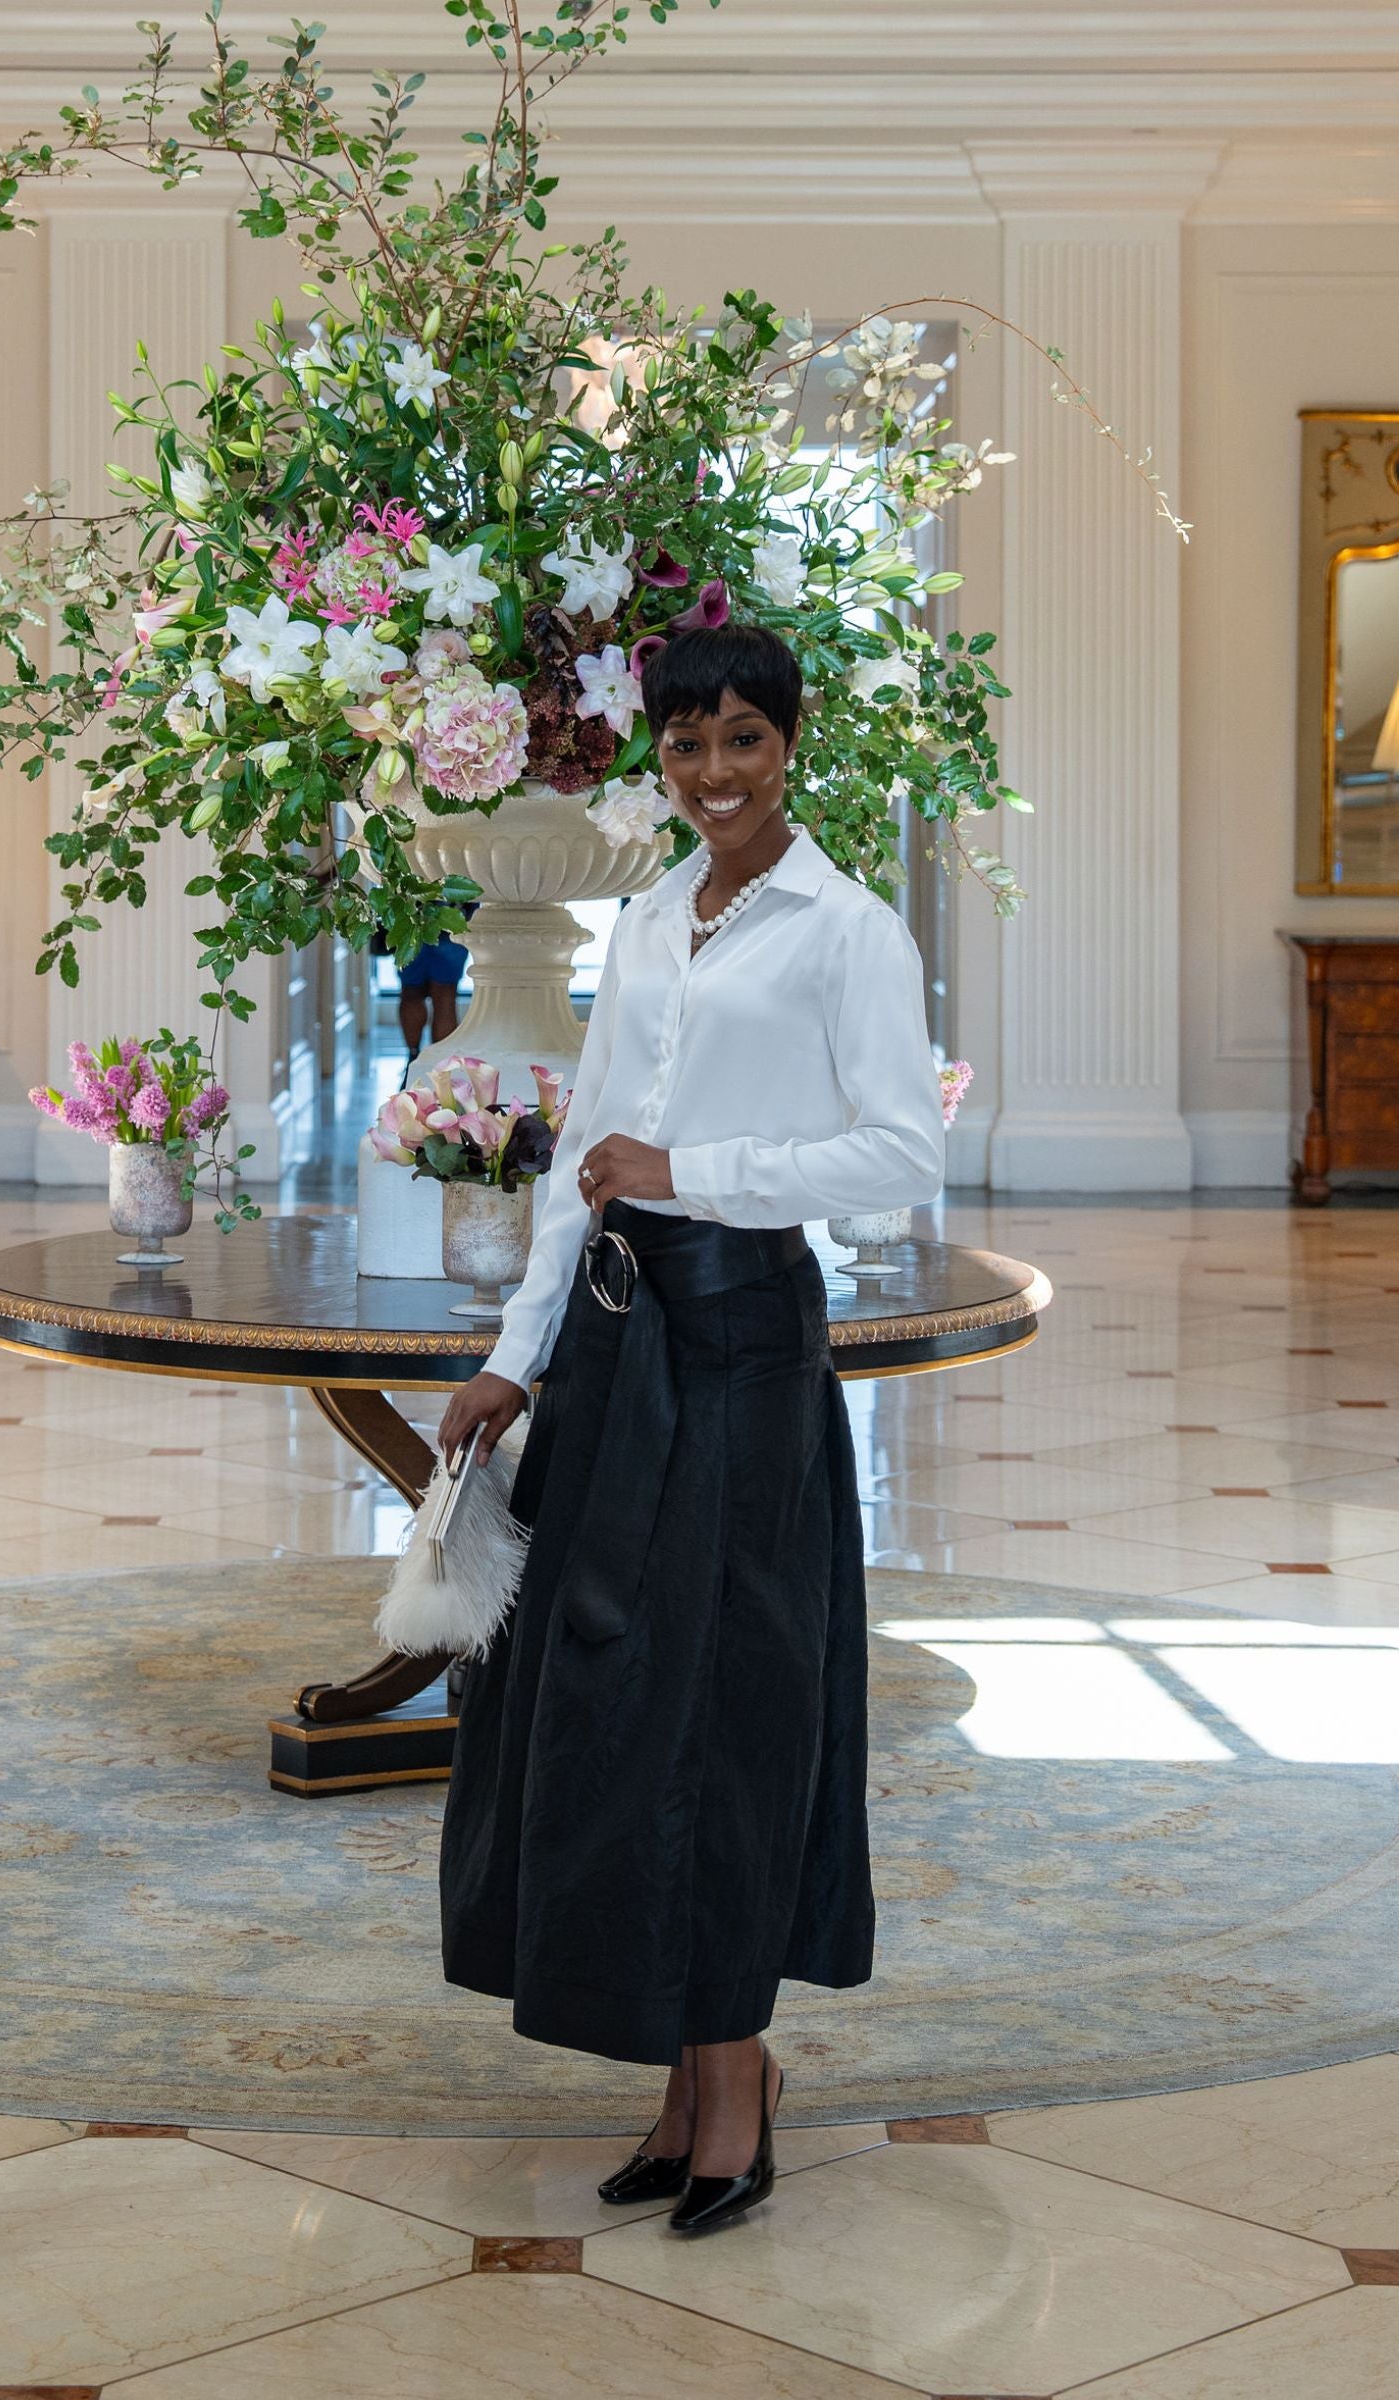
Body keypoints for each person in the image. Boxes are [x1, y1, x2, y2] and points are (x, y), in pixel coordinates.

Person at [436, 622, 945, 2237]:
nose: (714, 772)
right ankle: (679, 2065)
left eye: (742, 739)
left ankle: (736, 2082)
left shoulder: (848, 931)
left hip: (741, 1343)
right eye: (686, 744)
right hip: (613, 1340)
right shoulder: (650, 914)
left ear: (790, 743)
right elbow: (588, 1148)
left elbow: (896, 1157)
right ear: (654, 754)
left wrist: (697, 1174)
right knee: (614, 1703)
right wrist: (516, 1357)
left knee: (729, 1708)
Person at [397, 907, 476, 1066]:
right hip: (453, 913)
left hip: (411, 913)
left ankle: (413, 1060)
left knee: (411, 992)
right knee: (445, 996)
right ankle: (441, 1066)